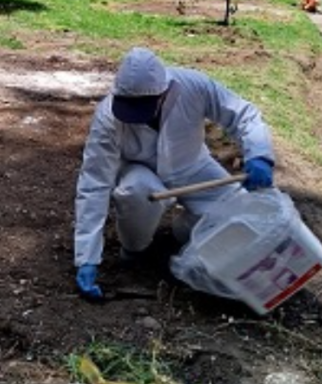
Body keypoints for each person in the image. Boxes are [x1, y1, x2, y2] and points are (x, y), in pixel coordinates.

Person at [73, 47, 275, 300]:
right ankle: (135, 248)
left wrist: (259, 154)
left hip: (192, 165)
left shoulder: (193, 85)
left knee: (238, 217)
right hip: (141, 171)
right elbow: (94, 183)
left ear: (164, 92)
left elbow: (243, 113)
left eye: (143, 107)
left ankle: (183, 231)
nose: (135, 117)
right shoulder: (108, 117)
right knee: (135, 191)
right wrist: (86, 257)